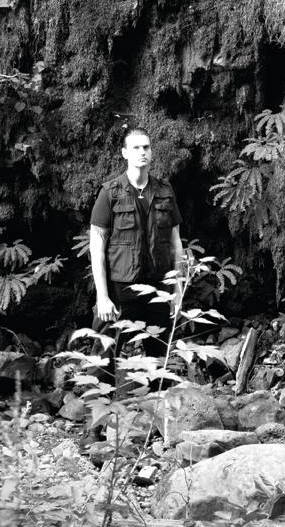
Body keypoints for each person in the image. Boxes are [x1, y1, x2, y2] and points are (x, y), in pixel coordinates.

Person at [89, 128, 184, 382]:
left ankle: (157, 406)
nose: (142, 152)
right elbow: (97, 246)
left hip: (158, 289)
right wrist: (102, 296)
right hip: (120, 290)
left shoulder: (165, 191)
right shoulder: (110, 193)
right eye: (136, 148)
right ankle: (98, 407)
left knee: (160, 361)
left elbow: (176, 243)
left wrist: (177, 291)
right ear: (124, 153)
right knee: (104, 358)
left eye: (146, 147)